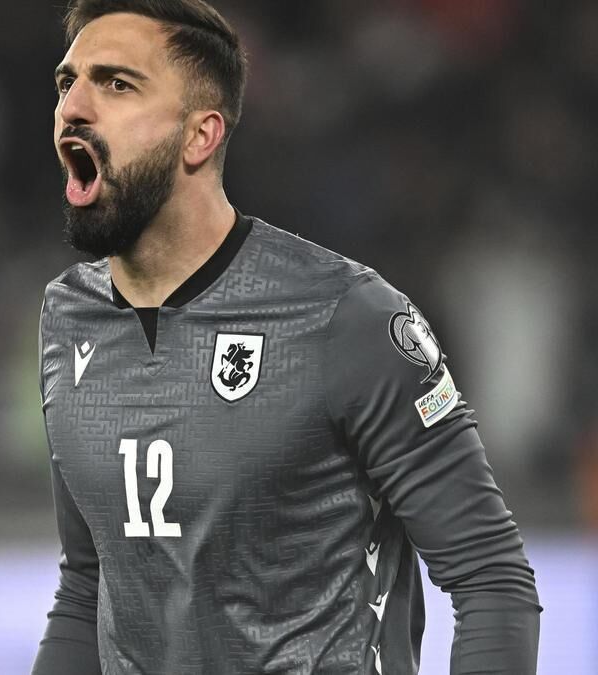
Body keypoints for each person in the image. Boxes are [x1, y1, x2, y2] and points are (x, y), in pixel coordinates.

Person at [31, 2, 540, 674]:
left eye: (117, 84)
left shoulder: (344, 317)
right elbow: (88, 585)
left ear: (200, 136)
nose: (72, 107)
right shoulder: (69, 317)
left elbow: (491, 578)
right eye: (67, 83)